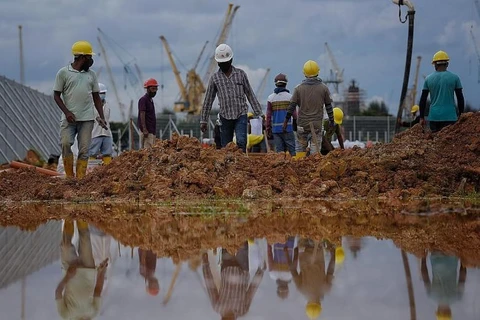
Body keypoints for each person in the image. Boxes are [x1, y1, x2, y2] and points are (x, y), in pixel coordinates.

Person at [53, 40, 108, 179]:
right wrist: (67, 112)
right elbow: (56, 95)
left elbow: (96, 97)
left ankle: (80, 179)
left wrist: (101, 117)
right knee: (66, 144)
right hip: (69, 119)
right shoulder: (63, 73)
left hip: (87, 119)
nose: (91, 60)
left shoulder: (92, 75)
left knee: (84, 150)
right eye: (89, 57)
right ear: (82, 57)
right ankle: (70, 177)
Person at [200, 44, 264, 152]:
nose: (224, 64)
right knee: (226, 146)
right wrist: (203, 120)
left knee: (241, 141)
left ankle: (241, 164)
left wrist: (259, 113)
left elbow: (250, 94)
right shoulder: (215, 78)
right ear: (218, 63)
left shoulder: (241, 74)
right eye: (221, 63)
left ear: (231, 60)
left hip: (241, 114)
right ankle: (229, 166)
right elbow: (208, 100)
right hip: (225, 116)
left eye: (226, 62)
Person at [56, 219, 108, 319]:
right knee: (85, 238)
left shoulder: (66, 316)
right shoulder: (93, 313)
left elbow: (58, 292)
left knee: (65, 245)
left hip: (70, 271)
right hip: (88, 270)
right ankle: (81, 214)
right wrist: (102, 272)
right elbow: (97, 290)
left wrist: (67, 276)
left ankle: (69, 216)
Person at [283, 60, 335, 155]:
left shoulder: (298, 89)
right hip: (317, 125)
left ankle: (299, 165)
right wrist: (332, 121)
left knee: (300, 150)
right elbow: (329, 107)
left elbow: (291, 106)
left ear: (304, 73)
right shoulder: (324, 88)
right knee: (315, 153)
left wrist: (286, 121)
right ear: (317, 72)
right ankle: (313, 167)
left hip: (302, 124)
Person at [202, 242, 265, 319]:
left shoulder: (217, 307)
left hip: (227, 267)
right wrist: (260, 272)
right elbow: (252, 290)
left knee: (227, 239)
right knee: (242, 239)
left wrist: (205, 265)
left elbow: (210, 286)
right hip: (242, 268)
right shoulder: (243, 310)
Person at [285, 238, 336, 320]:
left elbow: (330, 270)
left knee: (317, 229)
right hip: (303, 249)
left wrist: (333, 255)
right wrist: (289, 254)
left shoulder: (325, 289)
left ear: (319, 305)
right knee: (303, 228)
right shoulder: (301, 289)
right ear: (307, 304)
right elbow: (293, 270)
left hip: (318, 247)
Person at [419, 50, 464, 133]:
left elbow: (423, 99)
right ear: (447, 64)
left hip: (434, 117)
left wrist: (421, 117)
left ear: (435, 64)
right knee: (448, 142)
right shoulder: (455, 78)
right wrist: (461, 115)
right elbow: (460, 98)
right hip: (450, 116)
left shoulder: (428, 79)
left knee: (436, 143)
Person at [421, 251, 467, 320]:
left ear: (450, 312)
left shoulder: (457, 297)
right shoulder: (431, 295)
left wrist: (463, 258)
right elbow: (424, 273)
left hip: (452, 255)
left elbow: (462, 275)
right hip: (436, 256)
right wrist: (423, 258)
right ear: (438, 311)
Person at [266, 73, 296, 156]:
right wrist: (295, 126)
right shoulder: (290, 97)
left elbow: (268, 116)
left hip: (276, 130)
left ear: (276, 84)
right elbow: (295, 114)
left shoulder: (270, 98)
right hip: (288, 128)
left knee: (280, 153)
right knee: (292, 151)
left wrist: (268, 128)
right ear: (286, 84)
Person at [88, 83, 113, 164]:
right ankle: (91, 169)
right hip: (95, 133)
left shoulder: (107, 105)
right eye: (101, 93)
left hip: (106, 133)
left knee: (107, 153)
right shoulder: (91, 105)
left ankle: (107, 168)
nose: (102, 95)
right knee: (92, 153)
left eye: (103, 93)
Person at [138, 78, 159, 148]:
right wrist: (144, 129)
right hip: (147, 132)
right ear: (147, 89)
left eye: (156, 89)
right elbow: (142, 114)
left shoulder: (150, 101)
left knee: (151, 152)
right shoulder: (143, 100)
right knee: (147, 152)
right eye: (153, 89)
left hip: (151, 131)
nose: (155, 91)